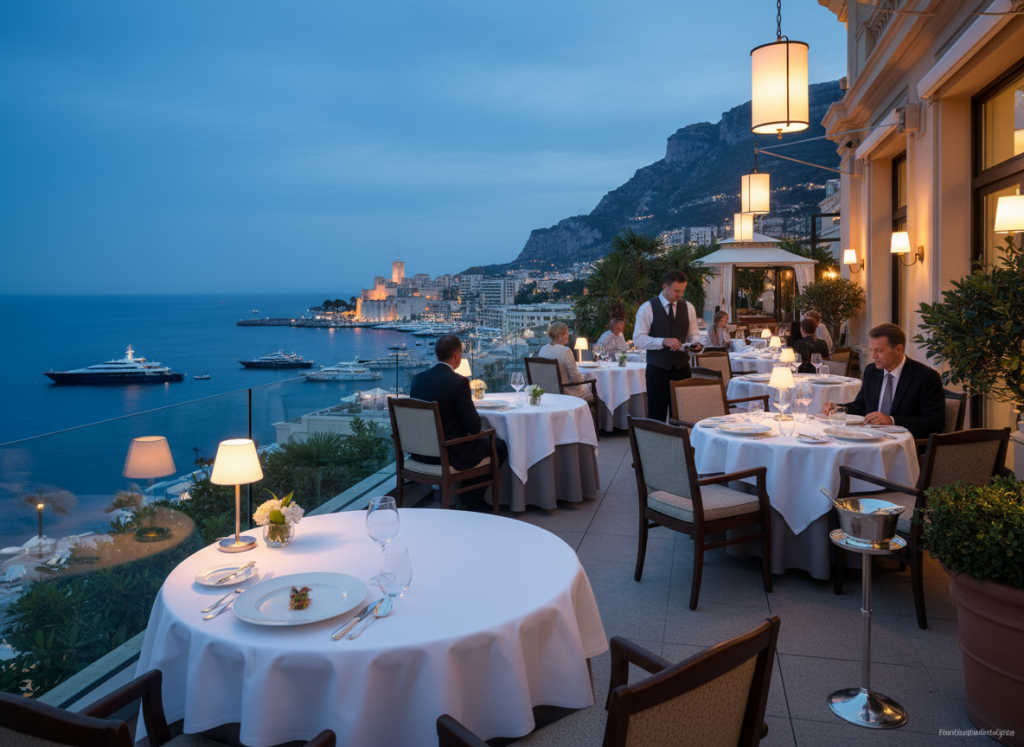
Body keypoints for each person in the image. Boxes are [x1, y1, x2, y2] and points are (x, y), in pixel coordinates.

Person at [409, 334, 509, 510]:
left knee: (479, 445)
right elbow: (474, 427)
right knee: (499, 445)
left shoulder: (418, 379)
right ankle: (470, 500)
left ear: (437, 353)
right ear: (456, 355)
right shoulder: (458, 382)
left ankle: (467, 500)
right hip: (449, 453)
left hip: (419, 453)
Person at [822, 323, 945, 440]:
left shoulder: (925, 377)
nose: (873, 356)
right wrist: (839, 409)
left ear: (898, 349)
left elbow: (935, 423)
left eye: (879, 351)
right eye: (871, 350)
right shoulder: (872, 371)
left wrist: (892, 420)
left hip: (905, 444)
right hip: (869, 438)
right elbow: (862, 405)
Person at [634, 269, 703, 422]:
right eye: (677, 290)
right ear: (665, 286)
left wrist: (696, 344)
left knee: (682, 416)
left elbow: (693, 335)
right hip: (657, 370)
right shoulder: (647, 308)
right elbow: (638, 339)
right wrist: (663, 341)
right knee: (656, 416)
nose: (680, 294)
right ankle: (657, 439)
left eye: (683, 291)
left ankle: (681, 439)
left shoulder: (689, 307)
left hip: (682, 369)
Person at [538, 322, 593, 400]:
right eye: (567, 333)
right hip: (565, 393)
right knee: (591, 385)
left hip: (547, 392)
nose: (568, 336)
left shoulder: (543, 349)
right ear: (560, 334)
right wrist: (583, 378)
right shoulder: (565, 351)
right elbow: (575, 378)